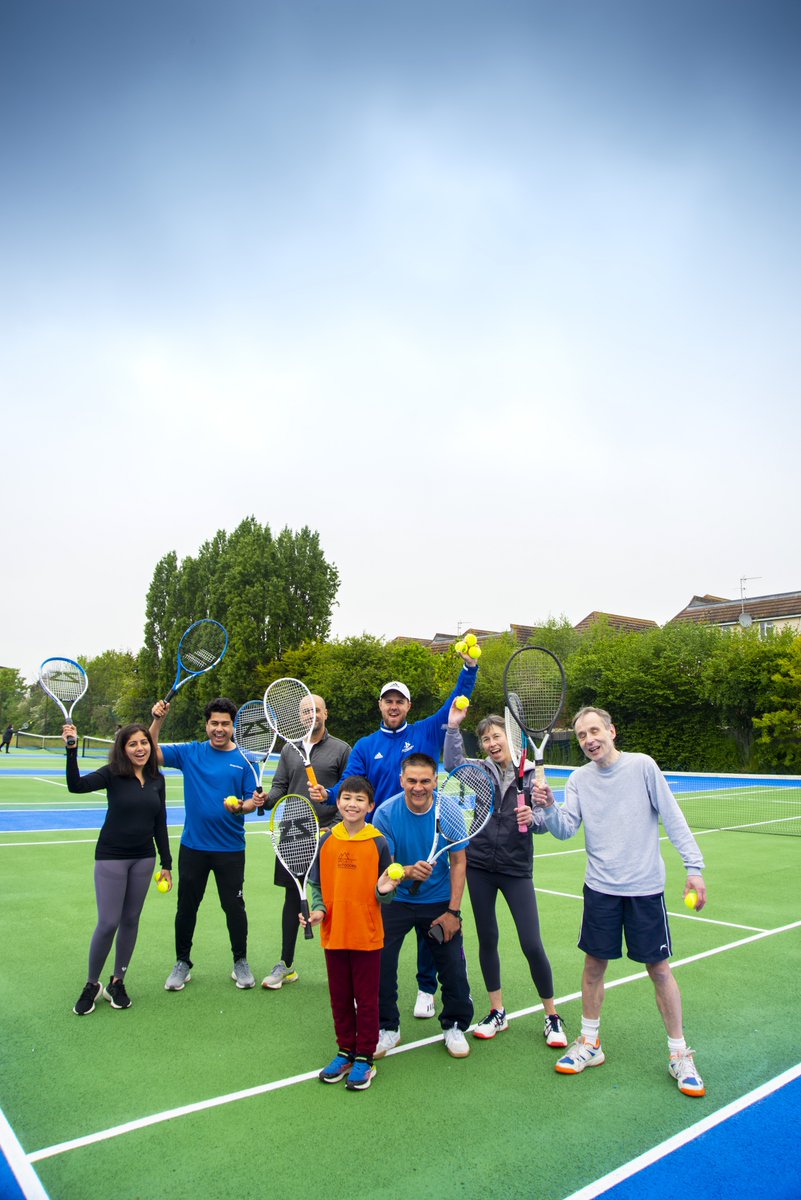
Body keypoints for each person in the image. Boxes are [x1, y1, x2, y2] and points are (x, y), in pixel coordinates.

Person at [532, 706, 707, 1097]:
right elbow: (563, 829)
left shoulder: (643, 766)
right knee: (594, 966)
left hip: (645, 888)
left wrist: (694, 868)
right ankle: (590, 1043)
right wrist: (546, 806)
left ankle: (680, 1053)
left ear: (611, 731)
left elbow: (672, 816)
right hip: (600, 889)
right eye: (581, 735)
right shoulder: (578, 779)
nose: (589, 739)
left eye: (595, 731)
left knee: (659, 969)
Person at [310, 649, 480, 1020]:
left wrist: (470, 668)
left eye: (399, 700)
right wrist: (332, 795)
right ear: (380, 705)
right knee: (385, 912)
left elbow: (456, 702)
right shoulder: (367, 745)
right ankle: (380, 1000)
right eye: (388, 700)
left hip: (425, 830)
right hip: (381, 836)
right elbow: (352, 782)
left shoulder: (425, 731)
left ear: (408, 705)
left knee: (429, 916)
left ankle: (425, 988)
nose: (393, 705)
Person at [443, 704, 567, 1047]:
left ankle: (552, 1015)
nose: (491, 742)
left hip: (515, 869)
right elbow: (452, 765)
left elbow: (543, 822)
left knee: (531, 943)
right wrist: (454, 730)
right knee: (488, 940)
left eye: (497, 736)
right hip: (480, 866)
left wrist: (534, 816)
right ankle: (497, 1012)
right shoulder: (480, 772)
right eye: (485, 738)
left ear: (511, 738)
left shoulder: (532, 776)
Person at [64, 721, 172, 1015]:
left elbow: (159, 822)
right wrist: (71, 749)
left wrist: (166, 863)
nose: (140, 748)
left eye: (144, 743)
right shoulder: (112, 774)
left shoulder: (156, 779)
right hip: (111, 856)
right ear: (123, 749)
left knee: (130, 920)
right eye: (133, 744)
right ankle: (91, 984)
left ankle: (117, 981)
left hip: (144, 857)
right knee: (108, 922)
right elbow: (76, 786)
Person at [150, 696, 257, 991]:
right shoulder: (191, 753)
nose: (219, 729)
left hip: (231, 850)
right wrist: (158, 719)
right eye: (214, 723)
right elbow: (151, 752)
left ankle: (240, 962)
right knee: (186, 907)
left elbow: (250, 801)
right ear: (206, 724)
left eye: (225, 724)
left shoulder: (244, 762)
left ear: (233, 726)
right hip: (193, 848)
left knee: (234, 907)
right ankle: (182, 963)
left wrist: (243, 807)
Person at [372, 753, 474, 1059]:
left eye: (425, 781)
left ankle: (454, 1025)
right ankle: (387, 1028)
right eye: (412, 780)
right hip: (398, 901)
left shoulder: (450, 812)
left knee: (453, 967)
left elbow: (458, 862)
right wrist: (405, 872)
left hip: (439, 901)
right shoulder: (386, 813)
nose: (418, 787)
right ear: (402, 780)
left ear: (435, 781)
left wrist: (453, 911)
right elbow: (386, 867)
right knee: (380, 964)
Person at [303, 775, 401, 1091]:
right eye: (346, 797)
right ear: (338, 801)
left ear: (370, 806)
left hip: (367, 935)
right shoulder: (326, 840)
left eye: (359, 799)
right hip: (335, 933)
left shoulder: (379, 842)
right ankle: (345, 1050)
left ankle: (364, 1058)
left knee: (367, 1000)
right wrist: (318, 910)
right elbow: (316, 885)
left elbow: (384, 892)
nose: (352, 804)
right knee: (340, 997)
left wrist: (384, 890)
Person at [259, 693, 351, 991]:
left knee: (336, 901)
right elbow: (279, 788)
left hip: (330, 833)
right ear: (299, 717)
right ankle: (286, 964)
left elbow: (348, 793)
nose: (310, 715)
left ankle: (345, 969)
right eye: (305, 711)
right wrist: (266, 800)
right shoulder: (289, 749)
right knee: (292, 900)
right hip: (294, 831)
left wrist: (334, 828)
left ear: (326, 713)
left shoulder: (341, 750)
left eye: (316, 710)